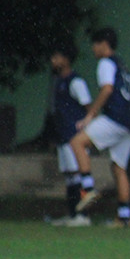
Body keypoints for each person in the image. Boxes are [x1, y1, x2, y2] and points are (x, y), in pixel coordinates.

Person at [70, 27, 130, 228]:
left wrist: (91, 115)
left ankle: (88, 189)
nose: (93, 49)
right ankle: (124, 217)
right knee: (119, 168)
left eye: (94, 44)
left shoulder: (105, 63)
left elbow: (107, 89)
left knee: (77, 142)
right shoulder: (123, 66)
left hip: (115, 118)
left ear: (103, 44)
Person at [48, 42, 93, 227]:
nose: (53, 61)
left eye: (56, 57)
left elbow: (89, 107)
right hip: (64, 135)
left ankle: (83, 215)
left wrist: (85, 128)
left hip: (75, 136)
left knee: (78, 174)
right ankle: (73, 213)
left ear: (66, 60)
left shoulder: (76, 82)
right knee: (69, 175)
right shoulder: (60, 81)